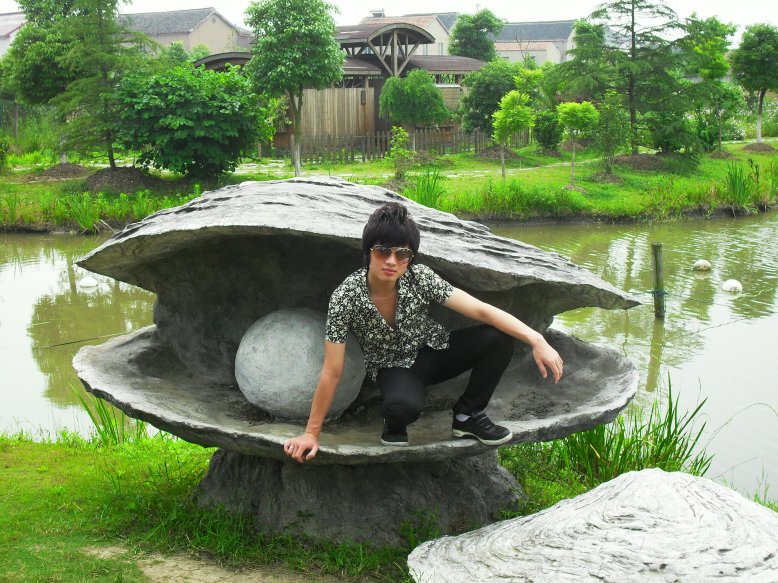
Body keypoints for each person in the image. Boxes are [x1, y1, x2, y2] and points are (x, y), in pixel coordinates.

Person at [284, 202, 563, 463]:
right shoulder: (345, 296)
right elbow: (332, 370)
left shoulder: (420, 277)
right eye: (382, 251)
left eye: (402, 254)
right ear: (368, 252)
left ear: (410, 258)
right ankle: (393, 422)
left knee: (497, 338)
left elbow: (481, 310)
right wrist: (311, 433)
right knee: (402, 408)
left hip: (434, 350)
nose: (391, 261)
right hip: (392, 366)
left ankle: (467, 416)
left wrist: (536, 339)